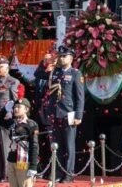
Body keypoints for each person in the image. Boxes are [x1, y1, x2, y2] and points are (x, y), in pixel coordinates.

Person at [47, 45, 84, 183]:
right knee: (56, 145)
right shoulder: (55, 72)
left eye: (64, 56)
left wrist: (78, 116)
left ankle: (69, 174)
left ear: (71, 58)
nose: (62, 58)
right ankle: (57, 172)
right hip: (55, 112)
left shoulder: (75, 73)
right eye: (60, 56)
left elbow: (80, 97)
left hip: (69, 113)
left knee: (69, 145)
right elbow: (39, 74)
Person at [0, 56, 20, 183]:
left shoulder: (13, 81)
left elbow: (15, 101)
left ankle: (7, 175)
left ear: (7, 68)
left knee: (5, 147)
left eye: (0, 67)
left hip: (5, 119)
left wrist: (14, 118)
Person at [0, 98, 39, 187]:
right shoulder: (12, 122)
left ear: (26, 109)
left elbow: (34, 146)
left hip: (24, 162)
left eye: (19, 107)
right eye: (14, 107)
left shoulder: (31, 124)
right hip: (12, 160)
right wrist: (5, 109)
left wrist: (33, 166)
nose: (16, 109)